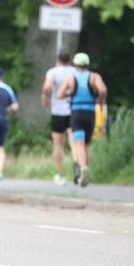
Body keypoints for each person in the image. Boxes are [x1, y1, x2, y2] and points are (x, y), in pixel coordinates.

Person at [57, 52, 108, 187]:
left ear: (75, 64)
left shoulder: (71, 78)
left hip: (77, 112)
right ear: (87, 64)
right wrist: (100, 101)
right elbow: (103, 90)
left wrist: (71, 94)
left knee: (78, 144)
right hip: (90, 113)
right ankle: (85, 170)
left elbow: (59, 94)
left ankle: (82, 168)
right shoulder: (94, 77)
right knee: (86, 144)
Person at [41, 52, 78, 185]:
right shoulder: (75, 71)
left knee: (58, 144)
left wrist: (45, 99)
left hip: (57, 111)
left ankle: (61, 174)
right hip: (73, 110)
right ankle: (77, 167)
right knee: (74, 142)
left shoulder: (53, 72)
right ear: (70, 61)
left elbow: (46, 87)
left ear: (58, 60)